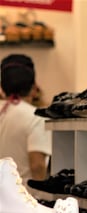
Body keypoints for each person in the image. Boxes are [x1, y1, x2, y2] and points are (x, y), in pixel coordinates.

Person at [0, 54, 52, 183]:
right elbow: (37, 165)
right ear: (34, 88)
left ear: (2, 87)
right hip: (22, 196)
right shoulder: (36, 116)